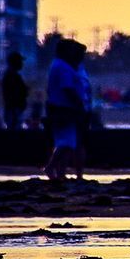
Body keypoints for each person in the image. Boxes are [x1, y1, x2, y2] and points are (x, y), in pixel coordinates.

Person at [45, 39, 88, 180]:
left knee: (65, 141)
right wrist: (78, 104)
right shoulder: (63, 67)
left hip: (61, 107)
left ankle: (60, 173)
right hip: (64, 108)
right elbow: (67, 88)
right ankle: (51, 167)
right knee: (67, 142)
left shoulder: (58, 65)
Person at [1, 52, 29, 130]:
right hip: (13, 111)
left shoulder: (12, 75)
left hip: (14, 111)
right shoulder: (11, 76)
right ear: (15, 62)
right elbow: (14, 94)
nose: (22, 63)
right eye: (20, 61)